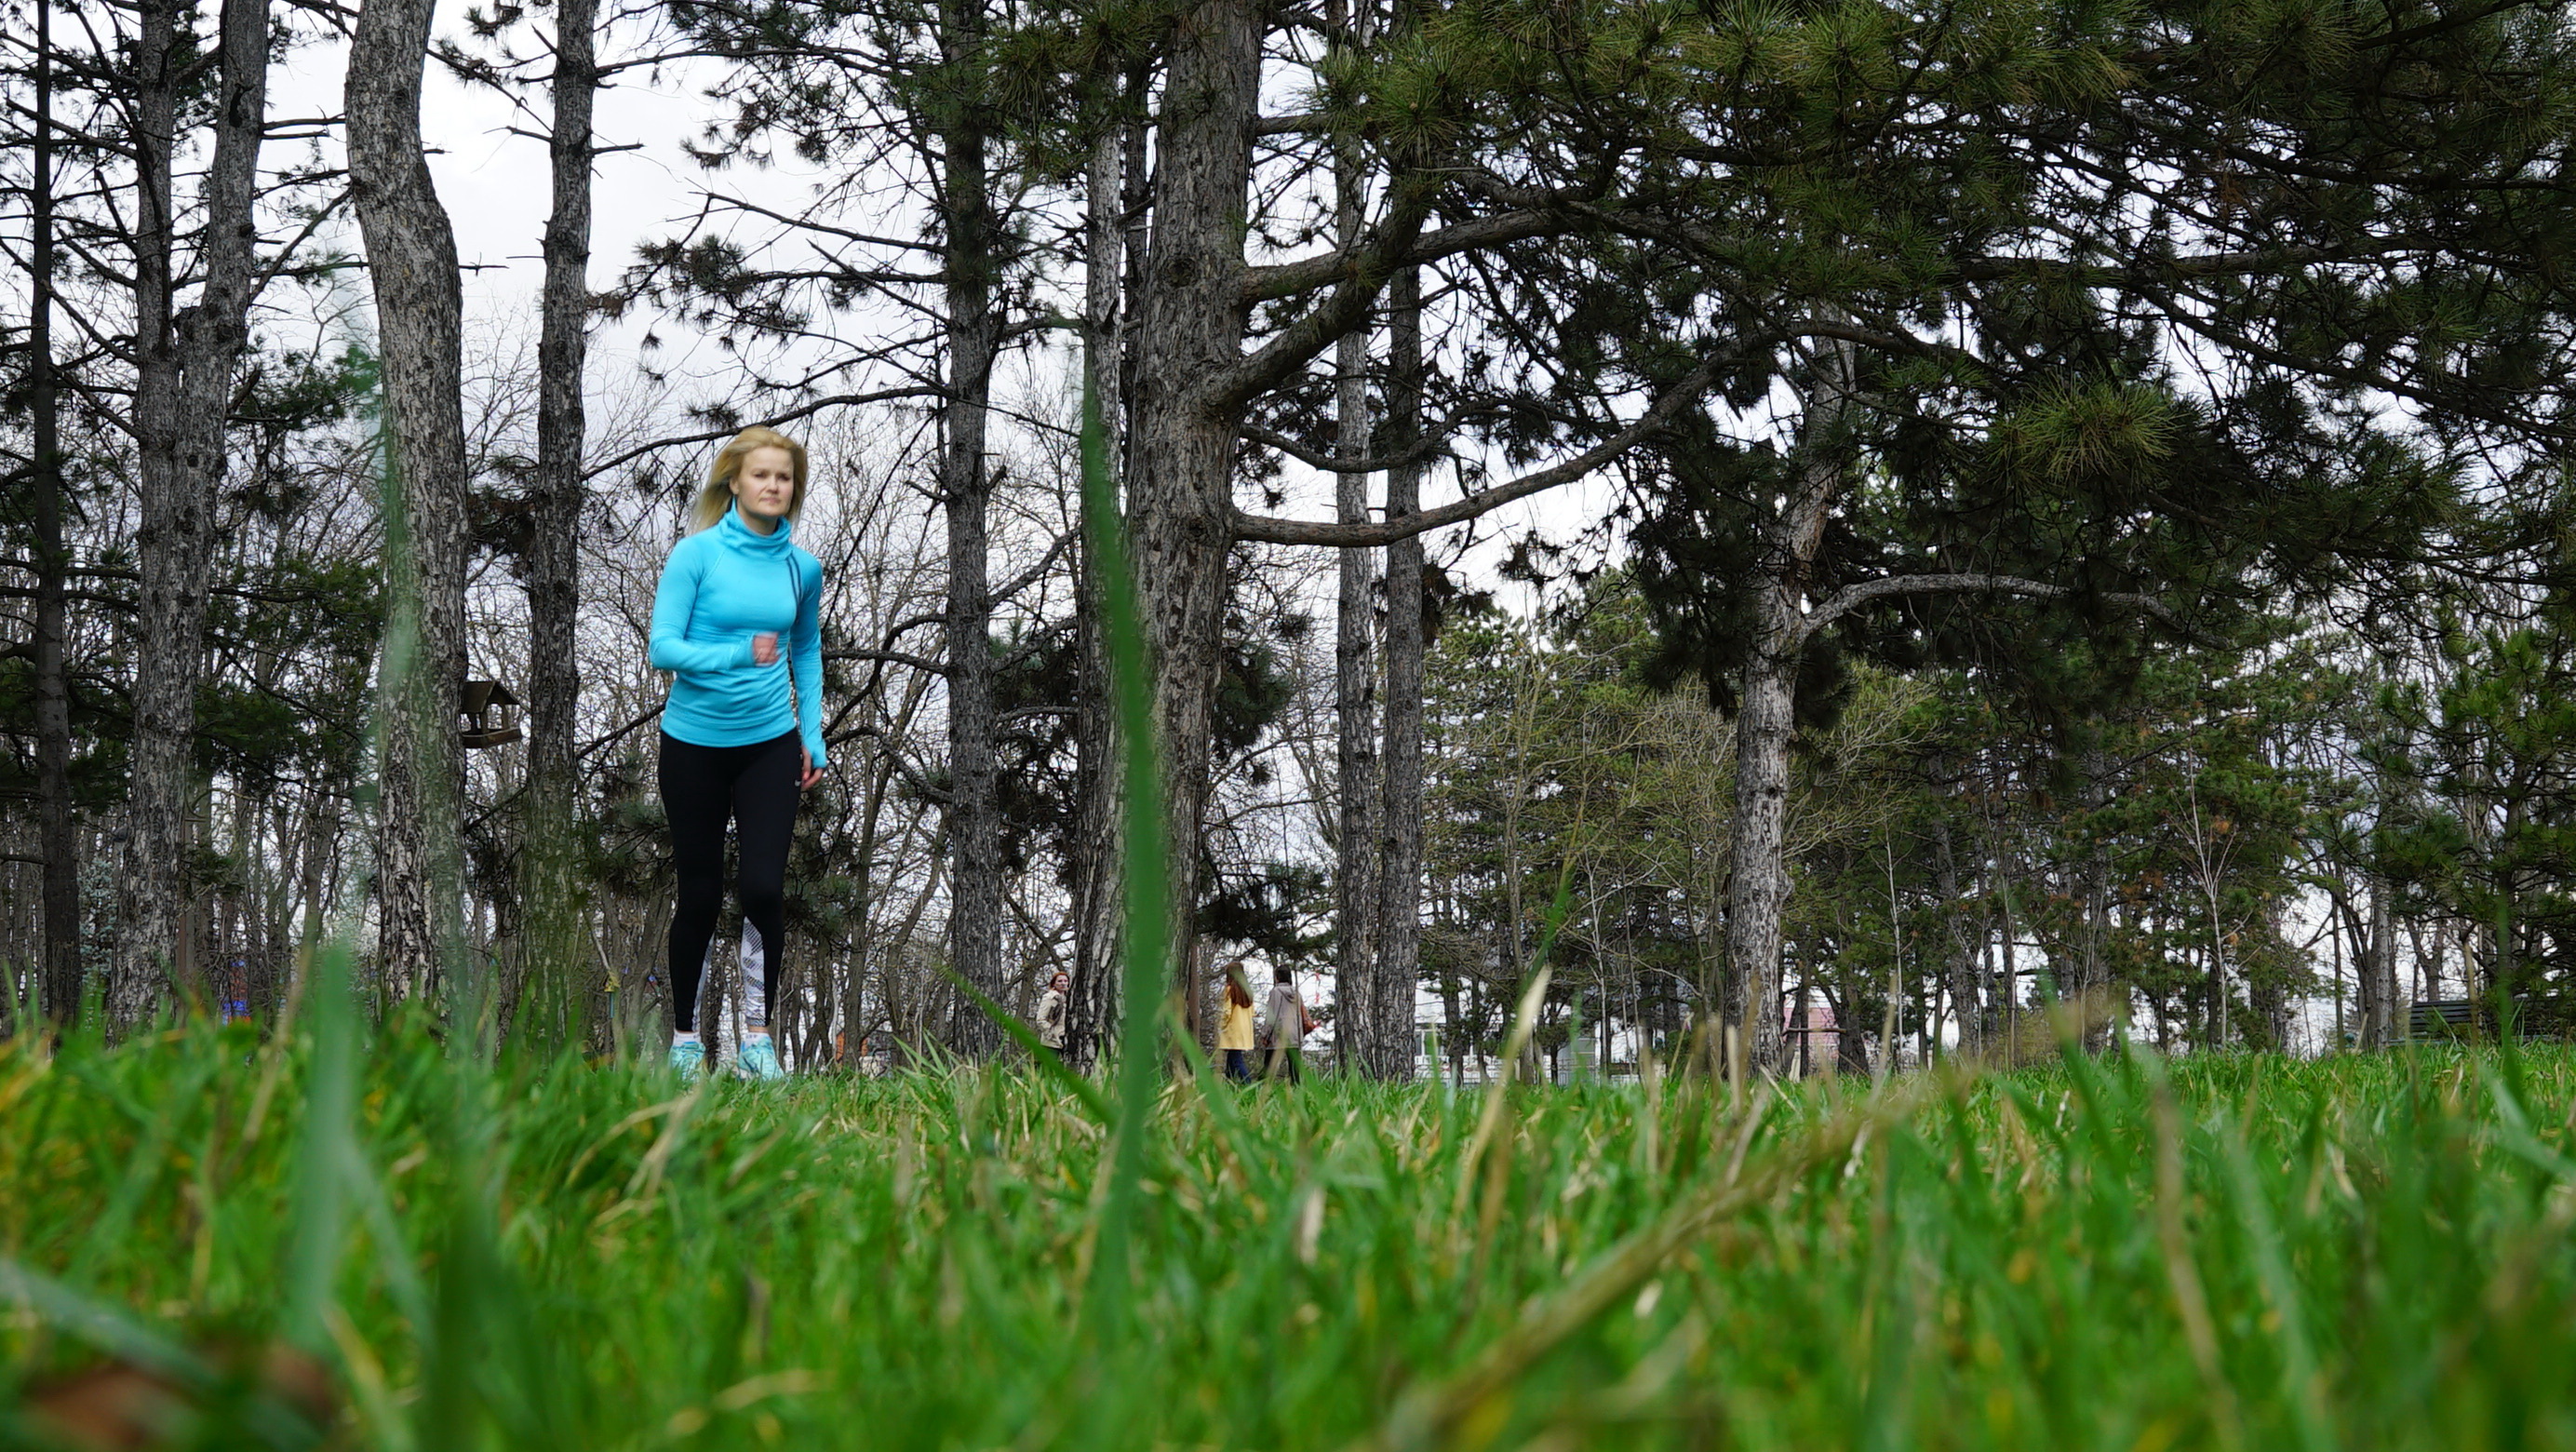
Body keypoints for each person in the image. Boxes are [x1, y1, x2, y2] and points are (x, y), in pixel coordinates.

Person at [651, 424, 826, 1082]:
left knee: (763, 890)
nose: (773, 486)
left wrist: (812, 733)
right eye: (762, 475)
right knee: (698, 894)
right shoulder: (694, 557)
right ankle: (686, 1043)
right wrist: (734, 653)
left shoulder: (800, 568)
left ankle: (758, 1039)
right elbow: (662, 648)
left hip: (770, 747)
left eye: (784, 477)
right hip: (693, 744)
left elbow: (806, 651)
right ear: (734, 481)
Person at [1263, 964, 1311, 1082]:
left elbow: (1271, 1015)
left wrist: (1265, 1034)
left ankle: (1262, 1088)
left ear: (1277, 977)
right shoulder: (1297, 994)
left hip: (1278, 1033)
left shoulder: (1275, 992)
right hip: (1295, 1033)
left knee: (1269, 1065)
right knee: (1294, 1067)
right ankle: (1296, 1090)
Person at [1217, 968, 1256, 1082]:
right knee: (1232, 1058)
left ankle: (1249, 1084)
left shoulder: (1229, 990)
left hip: (1233, 1029)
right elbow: (1253, 1013)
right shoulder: (1248, 992)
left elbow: (1227, 1012)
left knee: (1236, 1061)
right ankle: (1230, 1083)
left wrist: (1221, 1026)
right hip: (1245, 1029)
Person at [1037, 971, 1070, 1053]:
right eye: (1060, 981)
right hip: (1051, 1043)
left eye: (1065, 981)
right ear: (1054, 984)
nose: (1063, 983)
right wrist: (1052, 1034)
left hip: (1067, 1040)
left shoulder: (1070, 998)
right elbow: (1040, 1020)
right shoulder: (1049, 998)